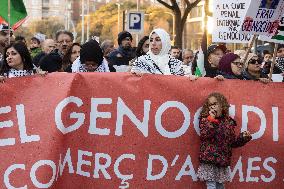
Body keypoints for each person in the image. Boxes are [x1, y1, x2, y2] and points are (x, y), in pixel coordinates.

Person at [197, 92, 252, 189]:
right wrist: (211, 120)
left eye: (215, 104)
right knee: (211, 185)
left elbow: (232, 142)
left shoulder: (229, 122)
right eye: (210, 105)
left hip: (222, 160)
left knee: (220, 186)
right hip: (210, 159)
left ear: (222, 105)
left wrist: (243, 137)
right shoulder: (205, 119)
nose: (212, 107)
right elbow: (205, 135)